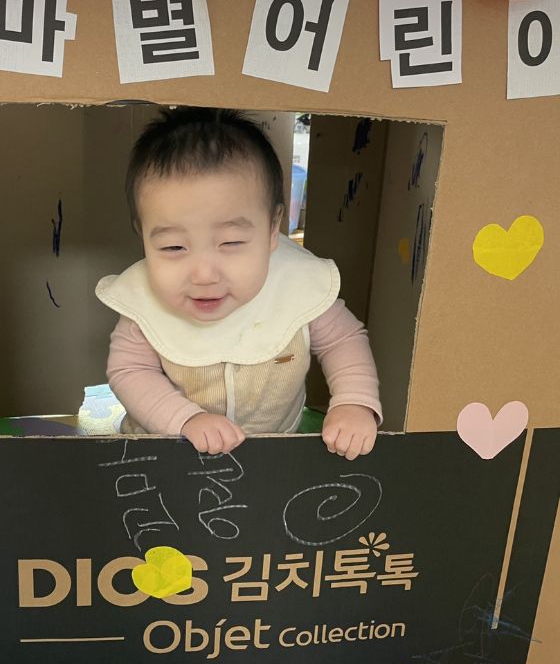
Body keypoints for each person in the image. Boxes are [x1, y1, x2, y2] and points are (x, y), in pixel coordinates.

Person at [96, 107, 381, 459]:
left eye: (231, 243)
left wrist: (354, 402)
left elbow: (344, 340)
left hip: (272, 451)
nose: (203, 275)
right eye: (173, 247)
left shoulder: (297, 285)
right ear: (142, 235)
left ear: (273, 227)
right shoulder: (144, 303)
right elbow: (130, 370)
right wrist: (185, 419)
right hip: (167, 452)